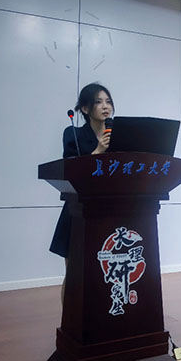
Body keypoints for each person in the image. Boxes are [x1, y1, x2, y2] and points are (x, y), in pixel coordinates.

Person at [49, 82, 115, 258]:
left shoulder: (119, 135)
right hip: (79, 208)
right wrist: (98, 151)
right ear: (85, 108)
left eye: (108, 101)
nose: (105, 106)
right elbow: (71, 171)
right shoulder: (73, 135)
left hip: (111, 208)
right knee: (75, 267)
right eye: (98, 102)